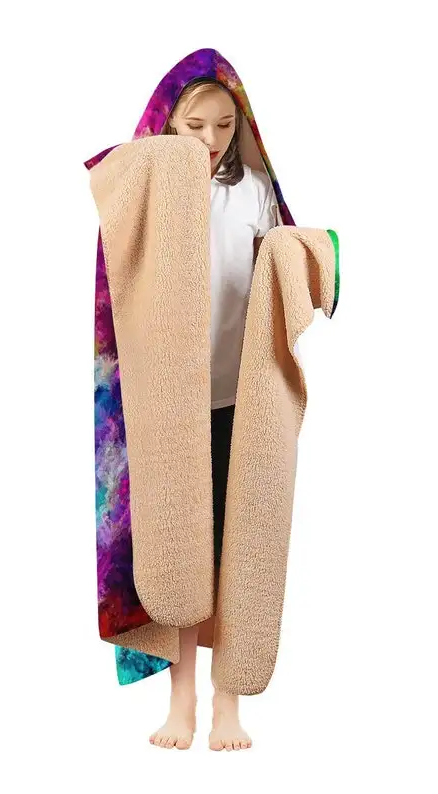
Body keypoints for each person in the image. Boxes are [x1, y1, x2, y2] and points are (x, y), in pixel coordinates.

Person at [147, 77, 278, 752]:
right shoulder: (150, 190)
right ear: (169, 123)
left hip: (236, 395)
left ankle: (228, 702)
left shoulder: (251, 189)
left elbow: (278, 273)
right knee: (179, 552)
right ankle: (182, 700)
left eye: (224, 126)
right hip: (166, 401)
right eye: (195, 126)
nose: (210, 140)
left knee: (235, 547)